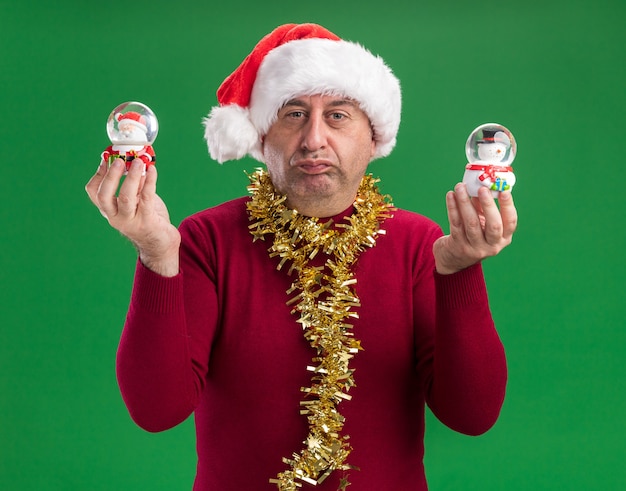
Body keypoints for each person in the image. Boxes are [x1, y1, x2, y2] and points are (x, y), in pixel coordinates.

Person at [85, 23, 517, 491]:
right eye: (293, 114)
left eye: (337, 115)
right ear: (261, 137)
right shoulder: (206, 239)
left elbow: (472, 414)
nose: (313, 139)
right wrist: (157, 253)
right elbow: (156, 410)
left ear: (373, 139)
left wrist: (458, 271)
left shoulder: (418, 244)